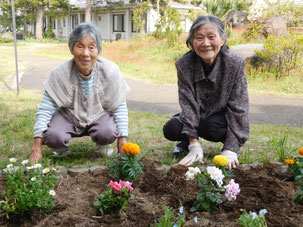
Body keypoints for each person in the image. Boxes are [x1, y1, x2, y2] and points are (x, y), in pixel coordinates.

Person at [29, 23, 130, 162]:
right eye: (80, 46)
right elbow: (45, 109)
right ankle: (61, 148)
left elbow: (120, 106)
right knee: (53, 135)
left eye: (91, 47)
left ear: (98, 50)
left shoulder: (111, 71)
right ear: (71, 49)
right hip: (68, 116)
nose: (85, 53)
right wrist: (36, 147)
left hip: (98, 115)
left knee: (107, 131)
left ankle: (103, 145)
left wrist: (122, 141)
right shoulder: (60, 73)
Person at [162, 15, 249, 169]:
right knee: (172, 128)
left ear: (222, 39)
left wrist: (230, 149)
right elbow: (187, 104)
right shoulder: (184, 64)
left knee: (211, 126)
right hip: (196, 115)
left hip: (219, 120)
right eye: (199, 38)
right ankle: (188, 142)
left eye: (211, 37)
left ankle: (226, 146)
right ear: (192, 42)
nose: (206, 43)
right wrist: (194, 144)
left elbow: (239, 107)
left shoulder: (235, 64)